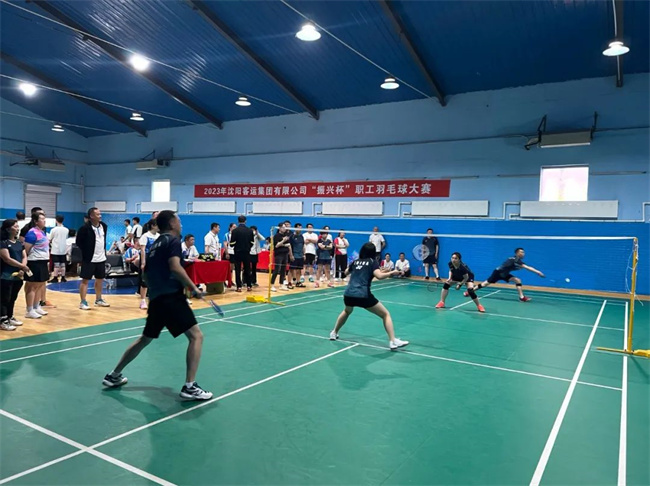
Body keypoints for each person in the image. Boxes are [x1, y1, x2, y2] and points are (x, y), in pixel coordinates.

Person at [102, 210, 212, 401]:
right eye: (178, 220)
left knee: (145, 339)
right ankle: (190, 386)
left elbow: (146, 273)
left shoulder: (155, 245)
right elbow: (175, 267)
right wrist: (193, 287)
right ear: (171, 224)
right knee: (196, 336)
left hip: (157, 299)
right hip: (171, 298)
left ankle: (113, 375)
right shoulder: (173, 241)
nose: (181, 224)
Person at [329, 242, 409, 351]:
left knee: (347, 311)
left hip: (349, 294)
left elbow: (345, 273)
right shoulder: (372, 262)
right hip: (363, 295)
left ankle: (334, 333)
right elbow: (379, 276)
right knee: (385, 314)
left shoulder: (355, 262)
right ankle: (392, 341)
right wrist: (392, 273)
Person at [471, 248, 545, 302]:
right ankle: (470, 291)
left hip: (504, 274)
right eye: (522, 252)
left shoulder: (516, 260)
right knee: (485, 284)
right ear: (517, 253)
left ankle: (521, 297)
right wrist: (538, 272)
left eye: (523, 252)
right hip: (498, 273)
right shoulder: (515, 259)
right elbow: (527, 267)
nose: (523, 253)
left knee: (517, 280)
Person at [76, 207, 110, 310]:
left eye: (100, 214)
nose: (100, 216)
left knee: (100, 280)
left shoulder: (104, 226)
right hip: (89, 259)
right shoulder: (84, 228)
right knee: (85, 281)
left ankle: (98, 299)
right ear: (91, 216)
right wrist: (86, 253)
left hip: (101, 258)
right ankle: (83, 302)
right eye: (98, 214)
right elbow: (79, 242)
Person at [0, 219, 29, 330]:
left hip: (18, 275)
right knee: (4, 298)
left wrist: (22, 267)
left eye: (17, 226)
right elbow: (7, 259)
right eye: (15, 226)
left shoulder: (19, 243)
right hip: (6, 275)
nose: (17, 228)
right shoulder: (3, 243)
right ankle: (2, 320)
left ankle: (10, 316)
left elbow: (24, 256)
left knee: (13, 297)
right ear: (8, 229)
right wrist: (22, 266)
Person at [23, 212, 50, 319]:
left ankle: (36, 306)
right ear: (36, 221)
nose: (44, 221)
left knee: (40, 285)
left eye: (44, 219)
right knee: (32, 286)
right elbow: (26, 250)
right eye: (42, 219)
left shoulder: (42, 232)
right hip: (34, 262)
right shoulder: (31, 233)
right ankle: (29, 310)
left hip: (43, 261)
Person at [137, 219, 159, 309]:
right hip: (147, 260)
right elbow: (142, 250)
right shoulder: (145, 236)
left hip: (156, 261)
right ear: (153, 226)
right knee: (145, 282)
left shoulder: (159, 236)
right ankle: (143, 301)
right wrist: (143, 262)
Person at [229, 215, 254, 292]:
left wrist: (236, 245)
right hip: (247, 252)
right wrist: (248, 247)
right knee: (247, 269)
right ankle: (249, 286)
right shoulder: (250, 231)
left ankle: (239, 287)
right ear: (245, 221)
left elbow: (232, 243)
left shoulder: (235, 231)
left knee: (237, 270)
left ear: (238, 221)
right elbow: (252, 242)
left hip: (238, 252)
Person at [270, 222, 291, 292]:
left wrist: (284, 244)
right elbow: (276, 245)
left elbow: (288, 244)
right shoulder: (276, 236)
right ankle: (272, 284)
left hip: (285, 254)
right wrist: (283, 241)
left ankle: (281, 284)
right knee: (277, 270)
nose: (284, 229)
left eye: (285, 227)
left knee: (283, 270)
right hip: (279, 255)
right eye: (283, 227)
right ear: (279, 228)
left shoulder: (286, 235)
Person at [48, 215, 69, 283]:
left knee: (56, 265)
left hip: (55, 250)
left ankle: (55, 278)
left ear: (56, 220)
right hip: (63, 250)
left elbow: (49, 239)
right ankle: (63, 277)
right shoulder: (66, 230)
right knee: (63, 265)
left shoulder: (53, 230)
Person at [289, 223, 306, 288]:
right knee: (291, 269)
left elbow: (303, 245)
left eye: (300, 228)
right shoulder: (292, 236)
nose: (300, 229)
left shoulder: (301, 236)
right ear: (295, 228)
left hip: (300, 255)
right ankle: (289, 282)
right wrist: (291, 255)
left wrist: (304, 254)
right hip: (294, 255)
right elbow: (290, 246)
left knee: (299, 270)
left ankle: (298, 282)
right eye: (298, 228)